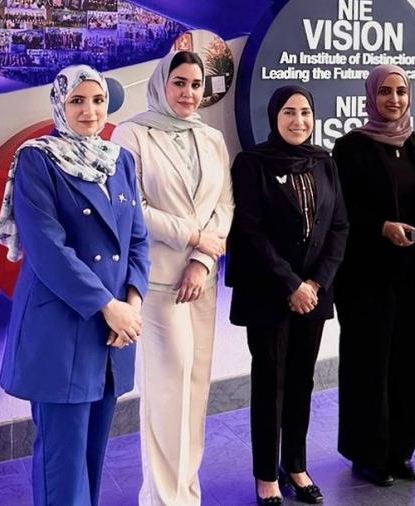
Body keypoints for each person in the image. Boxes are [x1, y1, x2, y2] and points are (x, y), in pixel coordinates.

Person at [0, 65, 150, 506]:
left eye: (97, 100)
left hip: (114, 330)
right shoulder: (37, 159)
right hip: (62, 328)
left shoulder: (119, 160)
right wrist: (110, 307)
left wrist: (133, 303)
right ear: (60, 104)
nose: (89, 111)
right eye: (77, 101)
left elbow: (138, 238)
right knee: (62, 465)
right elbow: (47, 249)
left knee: (93, 456)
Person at [111, 50, 233, 506]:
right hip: (159, 284)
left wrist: (202, 259)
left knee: (196, 391)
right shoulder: (132, 134)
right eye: (179, 82)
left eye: (196, 85)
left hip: (200, 281)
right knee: (166, 397)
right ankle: (162, 499)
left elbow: (225, 205)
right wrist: (193, 235)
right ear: (162, 83)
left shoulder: (211, 137)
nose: (188, 93)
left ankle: (186, 494)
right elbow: (133, 208)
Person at [227, 85, 348, 505]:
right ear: (274, 117)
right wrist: (291, 284)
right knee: (270, 383)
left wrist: (315, 283)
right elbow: (250, 230)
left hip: (314, 295)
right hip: (269, 294)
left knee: (301, 381)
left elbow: (339, 226)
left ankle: (295, 465)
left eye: (305, 112)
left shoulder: (324, 161)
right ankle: (266, 475)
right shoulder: (252, 163)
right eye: (289, 113)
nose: (298, 121)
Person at [333, 64, 415, 486]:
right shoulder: (350, 148)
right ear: (371, 96)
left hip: (413, 277)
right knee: (368, 366)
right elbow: (340, 212)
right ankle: (367, 454)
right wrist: (381, 227)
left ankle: (400, 451)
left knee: (408, 364)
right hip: (366, 278)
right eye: (385, 92)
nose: (394, 99)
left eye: (401, 91)